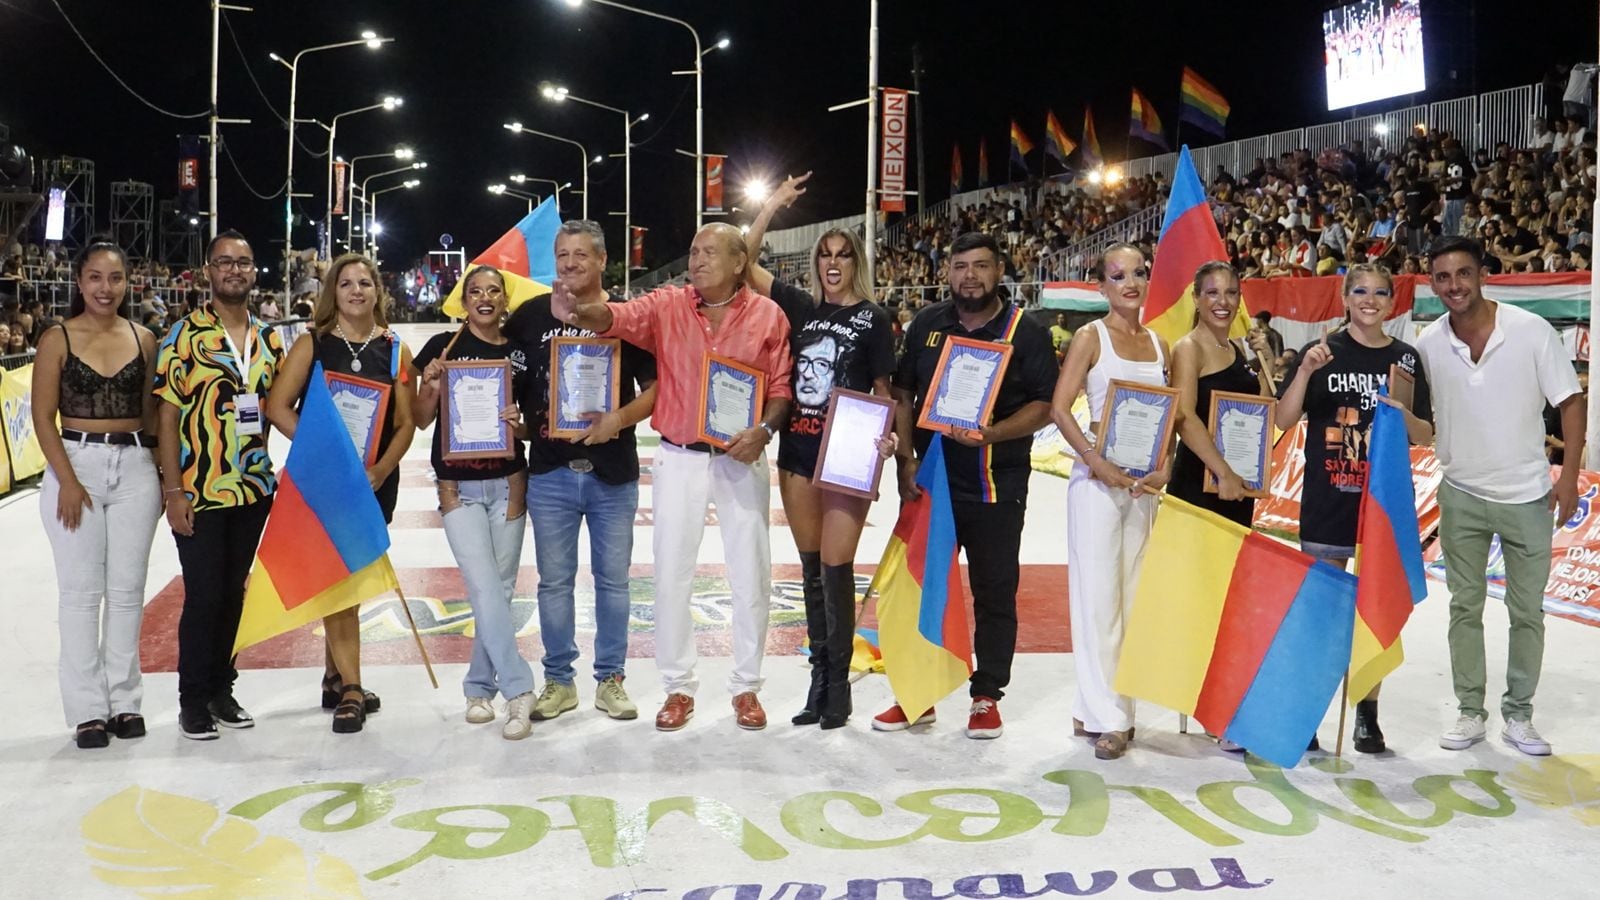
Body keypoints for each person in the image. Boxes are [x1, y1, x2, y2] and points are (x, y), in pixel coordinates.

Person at [552, 223, 793, 732]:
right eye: (693, 249)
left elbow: (781, 388)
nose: (697, 259)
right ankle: (678, 687)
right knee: (671, 574)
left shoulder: (769, 316)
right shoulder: (666, 305)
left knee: (751, 571)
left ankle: (746, 686)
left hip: (740, 456)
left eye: (709, 252)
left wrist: (765, 430)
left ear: (737, 263)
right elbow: (614, 316)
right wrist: (579, 310)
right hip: (680, 456)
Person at [877, 230, 1056, 740]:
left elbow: (1044, 406)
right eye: (959, 266)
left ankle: (985, 696)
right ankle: (917, 693)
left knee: (995, 592)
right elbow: (904, 395)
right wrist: (906, 459)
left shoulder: (1027, 330)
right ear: (947, 272)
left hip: (997, 484)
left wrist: (993, 434)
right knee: (921, 589)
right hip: (933, 483)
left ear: (1000, 270)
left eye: (980, 266)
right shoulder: (927, 323)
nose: (969, 276)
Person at [1416, 236, 1584, 757]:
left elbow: (1571, 402)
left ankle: (1520, 715)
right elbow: (1414, 419)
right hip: (1461, 493)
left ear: (1482, 273)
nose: (1453, 287)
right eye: (1442, 278)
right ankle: (1470, 711)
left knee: (1526, 612)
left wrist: (1570, 476)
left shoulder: (1531, 331)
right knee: (1464, 608)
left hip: (1529, 497)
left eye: (1462, 274)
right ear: (1433, 283)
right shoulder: (1426, 344)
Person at [743, 173, 896, 729]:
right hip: (798, 457)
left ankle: (840, 683)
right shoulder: (798, 308)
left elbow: (885, 393)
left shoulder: (874, 318)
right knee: (810, 572)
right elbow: (745, 257)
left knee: (836, 568)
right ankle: (822, 684)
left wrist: (891, 441)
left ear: (856, 261)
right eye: (825, 255)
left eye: (843, 255)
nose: (833, 263)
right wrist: (773, 206)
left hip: (850, 457)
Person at [1274, 263, 1434, 754]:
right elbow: (1282, 418)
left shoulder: (1405, 358)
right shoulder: (1321, 352)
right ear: (1345, 297)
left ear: (1392, 302)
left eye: (1380, 293)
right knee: (1322, 615)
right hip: (1328, 501)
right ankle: (1307, 710)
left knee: (1374, 613)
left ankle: (1367, 710)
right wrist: (1303, 371)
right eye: (1360, 291)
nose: (1370, 300)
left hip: (1382, 509)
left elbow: (1425, 434)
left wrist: (1401, 412)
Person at [505, 221, 658, 725]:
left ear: (601, 260)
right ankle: (559, 681)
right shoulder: (528, 318)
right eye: (562, 255)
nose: (570, 264)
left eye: (580, 256)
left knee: (613, 583)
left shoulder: (627, 318)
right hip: (548, 472)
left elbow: (654, 390)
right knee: (553, 584)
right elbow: (508, 382)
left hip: (613, 474)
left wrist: (617, 419)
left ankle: (611, 679)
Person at [265, 253, 414, 734]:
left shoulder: (396, 350)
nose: (356, 291)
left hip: (373, 482)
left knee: (349, 574)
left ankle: (333, 676)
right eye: (346, 283)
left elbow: (407, 422)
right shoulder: (313, 344)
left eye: (365, 283)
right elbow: (277, 407)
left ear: (377, 291)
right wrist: (319, 451)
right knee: (339, 581)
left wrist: (381, 469)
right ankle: (352, 688)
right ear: (334, 291)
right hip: (325, 482)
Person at [154, 230, 285, 740]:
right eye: (224, 262)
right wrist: (173, 491)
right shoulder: (183, 336)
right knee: (204, 595)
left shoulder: (270, 338)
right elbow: (166, 418)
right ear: (207, 270)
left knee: (234, 594)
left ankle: (221, 689)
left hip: (253, 488)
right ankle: (192, 699)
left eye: (244, 263)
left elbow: (277, 409)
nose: (235, 270)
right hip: (200, 489)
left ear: (255, 272)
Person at [31, 241, 163, 749]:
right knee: (81, 596)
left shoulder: (145, 338)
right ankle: (88, 709)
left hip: (134, 466)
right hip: (76, 463)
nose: (104, 289)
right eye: (94, 278)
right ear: (79, 282)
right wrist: (66, 479)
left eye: (114, 278)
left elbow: (153, 417)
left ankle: (125, 702)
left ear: (128, 283)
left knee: (129, 593)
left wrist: (161, 475)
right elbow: (43, 416)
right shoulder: (56, 338)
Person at [1050, 242, 1171, 760]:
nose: (1130, 282)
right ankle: (1113, 719)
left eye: (1139, 273)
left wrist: (1165, 465)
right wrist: (1093, 461)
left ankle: (1092, 704)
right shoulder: (1089, 336)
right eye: (1118, 275)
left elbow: (1169, 418)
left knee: (1132, 597)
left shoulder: (1162, 344)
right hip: (1098, 482)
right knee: (1098, 599)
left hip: (1142, 486)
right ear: (1102, 286)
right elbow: (1060, 408)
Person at [413, 266, 538, 738]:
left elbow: (528, 427)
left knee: (500, 591)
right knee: (485, 586)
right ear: (463, 301)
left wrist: (517, 420)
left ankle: (478, 687)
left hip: (509, 484)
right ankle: (520, 688)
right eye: (475, 292)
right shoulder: (442, 348)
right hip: (456, 488)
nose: (485, 298)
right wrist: (431, 384)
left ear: (505, 300)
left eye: (493, 291)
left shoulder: (521, 356)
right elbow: (421, 420)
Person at [1168, 262, 1271, 528]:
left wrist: (1267, 361)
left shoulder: (1236, 348)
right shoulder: (1189, 348)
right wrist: (1223, 472)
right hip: (1199, 483)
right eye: (1213, 293)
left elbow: (1259, 413)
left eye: (1231, 293)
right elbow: (1183, 417)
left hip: (1237, 484)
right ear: (1196, 297)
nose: (1222, 301)